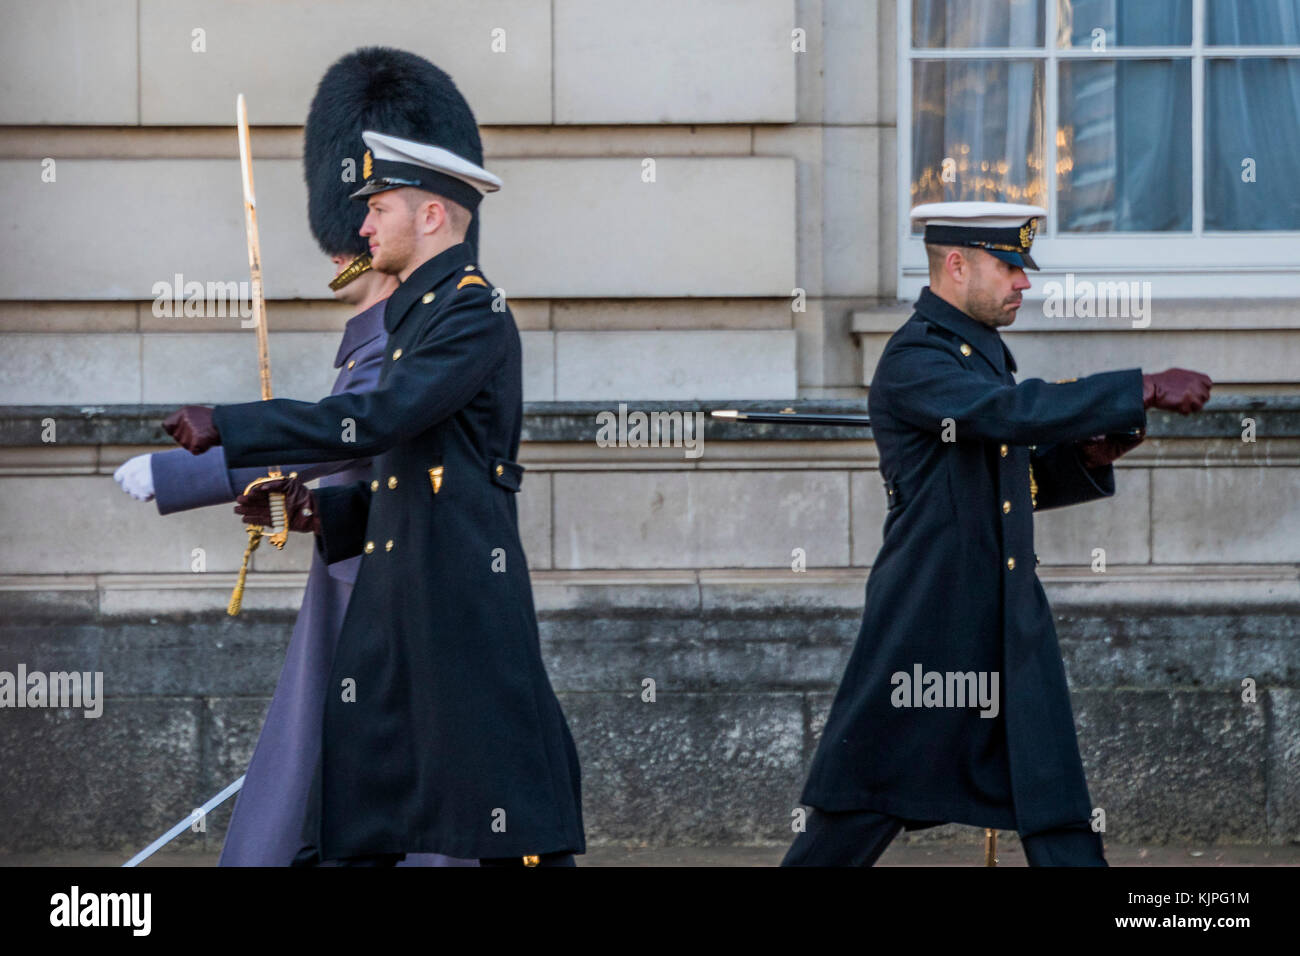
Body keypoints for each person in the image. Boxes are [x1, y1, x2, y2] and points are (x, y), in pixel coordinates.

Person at [163, 112, 585, 865]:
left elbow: (382, 417)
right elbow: (415, 477)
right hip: (405, 592)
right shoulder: (420, 313)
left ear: (429, 215)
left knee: (503, 815)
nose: (363, 227)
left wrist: (231, 423)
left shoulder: (470, 310)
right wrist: (318, 510)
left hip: (454, 597)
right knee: (364, 809)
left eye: (377, 208)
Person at [114, 48, 483, 867]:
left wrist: (195, 470)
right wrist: (296, 502)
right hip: (357, 579)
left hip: (391, 599)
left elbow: (350, 428)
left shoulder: (425, 332)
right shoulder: (378, 331)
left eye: (371, 213)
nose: (355, 235)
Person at [783, 201, 1212, 866]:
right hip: (929, 626)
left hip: (1004, 622)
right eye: (1009, 265)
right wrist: (1142, 386)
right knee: (856, 810)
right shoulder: (915, 361)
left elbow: (1001, 487)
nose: (1024, 282)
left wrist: (1084, 458)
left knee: (1057, 807)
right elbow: (1007, 414)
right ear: (955, 265)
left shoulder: (977, 359)